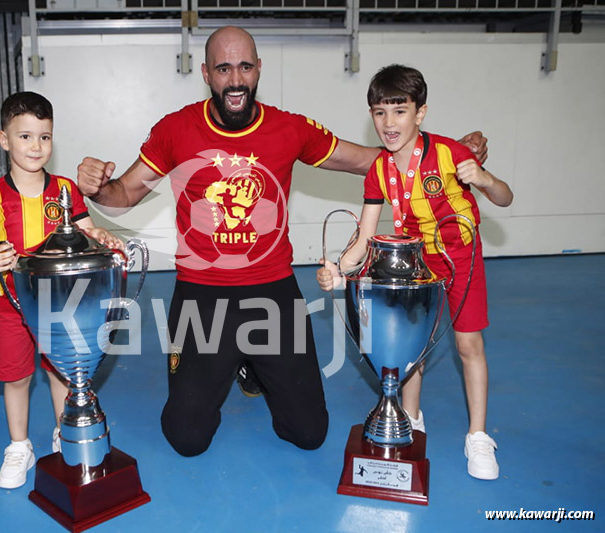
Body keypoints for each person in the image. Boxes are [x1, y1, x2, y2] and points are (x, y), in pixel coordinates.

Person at [76, 26, 489, 457]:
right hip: (202, 294)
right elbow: (123, 195)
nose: (235, 79)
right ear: (205, 73)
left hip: (271, 291)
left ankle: (250, 363)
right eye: (223, 68)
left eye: (245, 67)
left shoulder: (289, 128)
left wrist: (447, 156)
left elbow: (373, 160)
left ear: (258, 70)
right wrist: (98, 189)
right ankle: (236, 360)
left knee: (308, 433)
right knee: (186, 439)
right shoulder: (175, 130)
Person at [316, 64, 513, 480]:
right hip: (417, 262)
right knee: (411, 348)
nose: (390, 123)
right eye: (380, 112)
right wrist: (339, 270)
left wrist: (484, 177)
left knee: (467, 346)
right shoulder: (377, 171)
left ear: (420, 113)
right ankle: (410, 418)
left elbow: (504, 198)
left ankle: (478, 435)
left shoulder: (448, 154)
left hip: (461, 257)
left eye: (400, 111)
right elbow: (365, 237)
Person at [0, 91, 122, 489]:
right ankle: (19, 445)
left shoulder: (67, 190)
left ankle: (62, 431)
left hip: (63, 305)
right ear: (4, 139)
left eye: (45, 137)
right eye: (25, 136)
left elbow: (88, 233)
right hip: (11, 305)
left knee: (63, 370)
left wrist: (102, 235)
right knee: (16, 377)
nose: (36, 146)